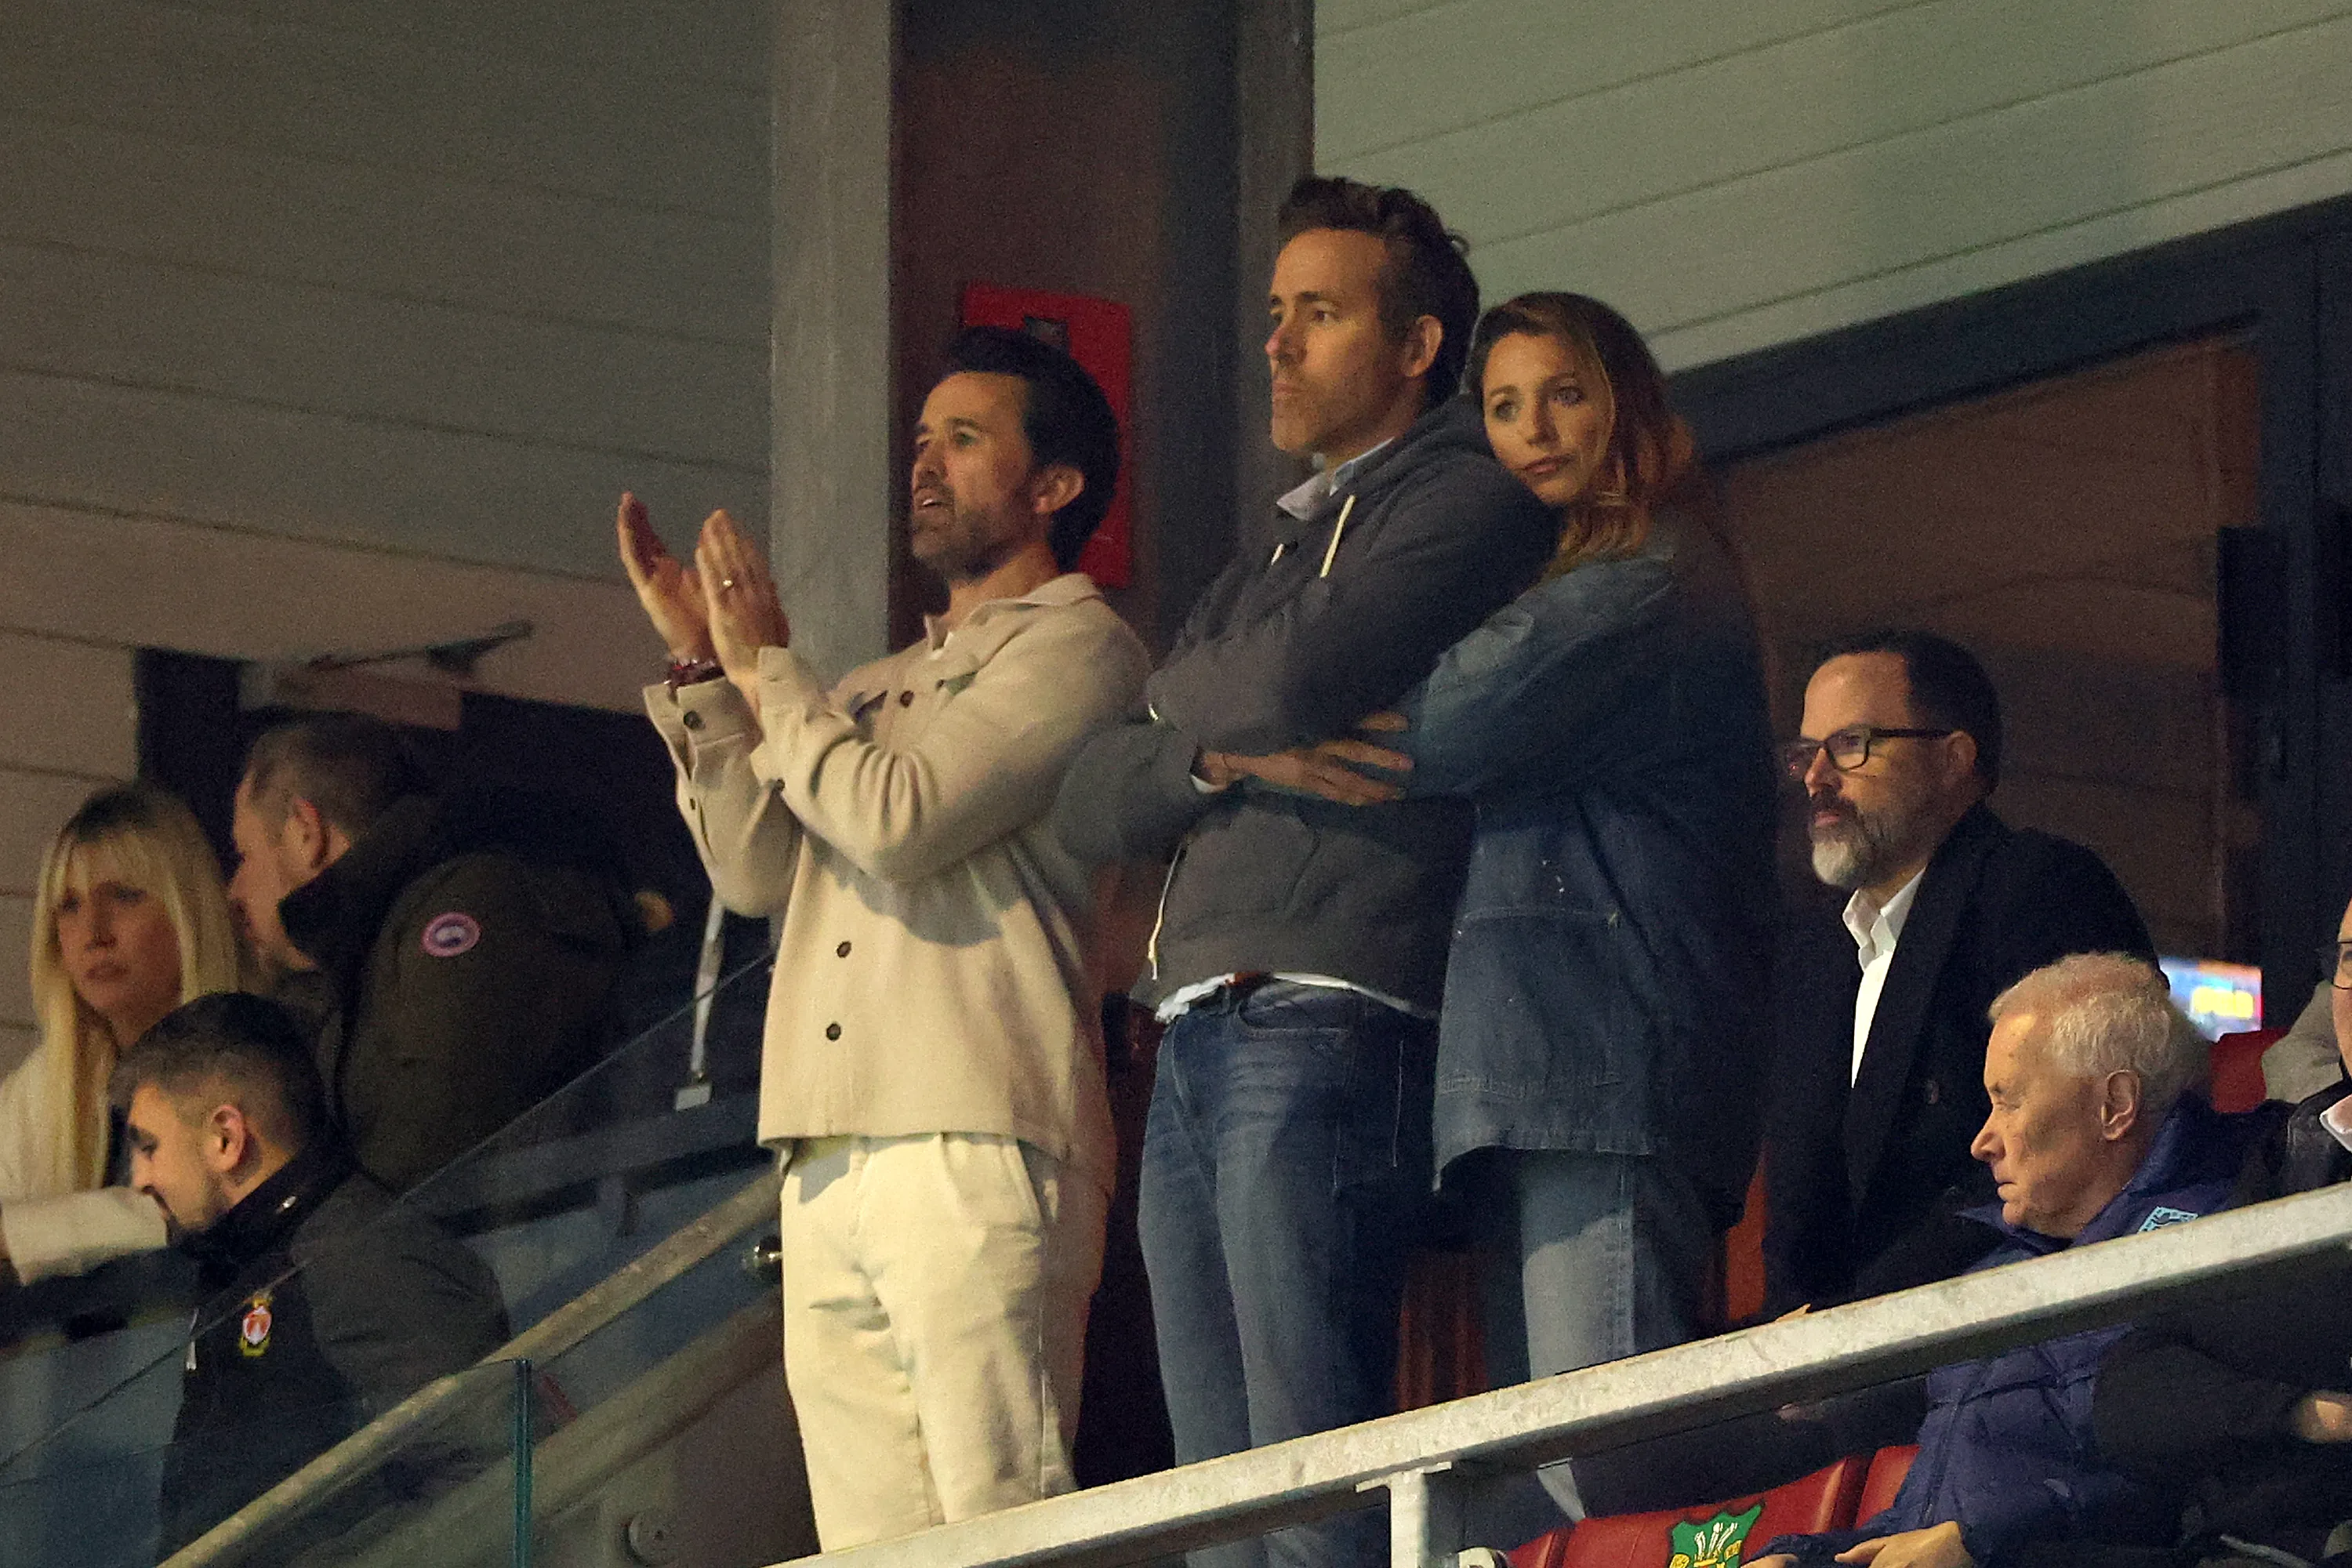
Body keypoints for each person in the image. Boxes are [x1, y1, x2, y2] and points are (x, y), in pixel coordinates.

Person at [1053, 176, 1557, 1568]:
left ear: (1416, 348)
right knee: (1220, 1500)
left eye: (1317, 315)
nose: (1274, 344)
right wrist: (1232, 758)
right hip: (1200, 1023)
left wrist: (1197, 710)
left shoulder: (1467, 493)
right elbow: (1095, 793)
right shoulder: (1280, 544)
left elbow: (1299, 670)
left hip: (1333, 1010)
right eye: (1276, 315)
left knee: (1312, 1476)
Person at [1218, 292, 1775, 1516]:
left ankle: (1834, 1442)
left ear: (1625, 401)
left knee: (1613, 1466)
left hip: (1606, 1068)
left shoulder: (1645, 578)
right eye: (1506, 406)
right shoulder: (1597, 570)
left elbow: (1442, 723)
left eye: (1564, 395)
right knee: (1558, 1479)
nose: (1533, 430)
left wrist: (1293, 711)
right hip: (1551, 1070)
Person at [623, 325, 1149, 1549]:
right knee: (867, 1542)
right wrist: (710, 668)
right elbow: (753, 872)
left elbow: (894, 818)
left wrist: (771, 672)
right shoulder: (860, 690)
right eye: (923, 439)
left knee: (997, 1516)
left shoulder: (1082, 649)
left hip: (978, 1126)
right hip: (829, 1147)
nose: (927, 463)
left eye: (966, 440)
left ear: (1055, 486)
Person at [1751, 954, 2250, 1568]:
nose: (1982, 1141)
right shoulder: (1993, 1270)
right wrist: (1807, 1557)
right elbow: (1924, 1528)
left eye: (2007, 1102)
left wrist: (1990, 1553)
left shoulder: (2229, 1257)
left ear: (2115, 1106)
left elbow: (2196, 1521)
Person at [1764, 632, 2155, 1313]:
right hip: (1831, 1363)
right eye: (1806, 753)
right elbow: (1802, 1213)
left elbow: (2074, 1157)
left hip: (2005, 1329)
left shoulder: (2038, 890)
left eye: (1851, 745)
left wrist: (1856, 1325)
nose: (1816, 779)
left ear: (1953, 759)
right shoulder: (1816, 951)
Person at [120, 991, 507, 1554]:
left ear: (225, 1138)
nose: (138, 1178)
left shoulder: (363, 1258)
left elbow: (490, 1469)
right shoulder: (246, 1263)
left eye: (149, 1148)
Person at [227, 713, 640, 1192]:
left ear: (304, 830)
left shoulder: (471, 907)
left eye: (244, 854)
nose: (234, 888)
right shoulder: (370, 947)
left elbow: (434, 1143)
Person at [2088, 889, 2352, 1567]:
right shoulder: (2298, 1146)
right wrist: (2303, 1414)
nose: (1982, 1141)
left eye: (2011, 1100)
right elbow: (2131, 1392)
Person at [0, 782, 243, 1285]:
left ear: (188, 912)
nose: (94, 932)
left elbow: (202, 1206)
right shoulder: (38, 1092)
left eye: (125, 897)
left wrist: (19, 1236)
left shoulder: (259, 1059)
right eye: (69, 906)